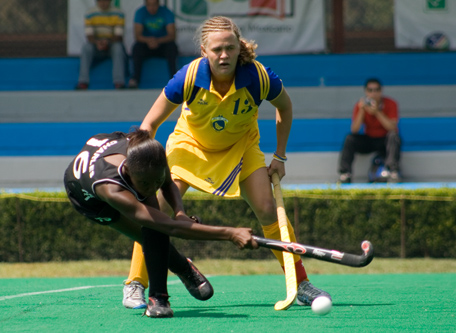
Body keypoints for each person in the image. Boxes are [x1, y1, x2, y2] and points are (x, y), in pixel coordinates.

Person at [122, 16, 331, 310]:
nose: (224, 55)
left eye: (230, 48)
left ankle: (300, 283)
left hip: (240, 146)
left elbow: (285, 106)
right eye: (217, 49)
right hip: (190, 146)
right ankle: (135, 283)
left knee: (267, 208)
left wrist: (280, 156)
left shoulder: (259, 77)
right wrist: (141, 169)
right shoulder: (189, 76)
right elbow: (150, 123)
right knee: (158, 208)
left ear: (238, 47)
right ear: (204, 51)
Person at [63, 129, 257, 318]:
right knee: (145, 233)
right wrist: (231, 234)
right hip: (87, 197)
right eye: (146, 183)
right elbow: (170, 227)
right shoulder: (111, 189)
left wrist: (180, 212)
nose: (152, 188)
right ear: (129, 171)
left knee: (154, 227)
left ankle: (158, 298)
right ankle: (182, 268)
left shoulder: (151, 156)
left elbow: (167, 183)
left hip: (110, 155)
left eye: (156, 181)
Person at [338, 78, 401, 183]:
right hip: (369, 140)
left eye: (376, 90)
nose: (373, 93)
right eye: (370, 90)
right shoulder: (360, 105)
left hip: (384, 140)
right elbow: (354, 130)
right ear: (366, 92)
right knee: (350, 138)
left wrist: (377, 112)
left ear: (381, 91)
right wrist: (362, 111)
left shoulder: (391, 103)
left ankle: (392, 172)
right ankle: (345, 174)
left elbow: (392, 127)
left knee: (394, 136)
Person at [76, 0, 127, 90]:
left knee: (118, 48)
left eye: (105, 1)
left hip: (111, 45)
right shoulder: (90, 13)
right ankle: (83, 82)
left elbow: (119, 36)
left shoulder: (118, 13)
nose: (103, 3)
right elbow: (89, 36)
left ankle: (119, 82)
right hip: (96, 46)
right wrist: (98, 43)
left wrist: (107, 42)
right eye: (101, 1)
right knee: (86, 48)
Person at [128, 0, 179, 89]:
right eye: (149, 5)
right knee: (136, 48)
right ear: (145, 5)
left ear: (158, 4)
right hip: (146, 44)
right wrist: (149, 40)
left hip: (162, 44)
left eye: (154, 5)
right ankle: (135, 79)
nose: (151, 8)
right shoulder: (140, 12)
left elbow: (172, 35)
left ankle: (174, 79)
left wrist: (157, 41)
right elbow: (137, 35)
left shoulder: (166, 12)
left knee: (172, 47)